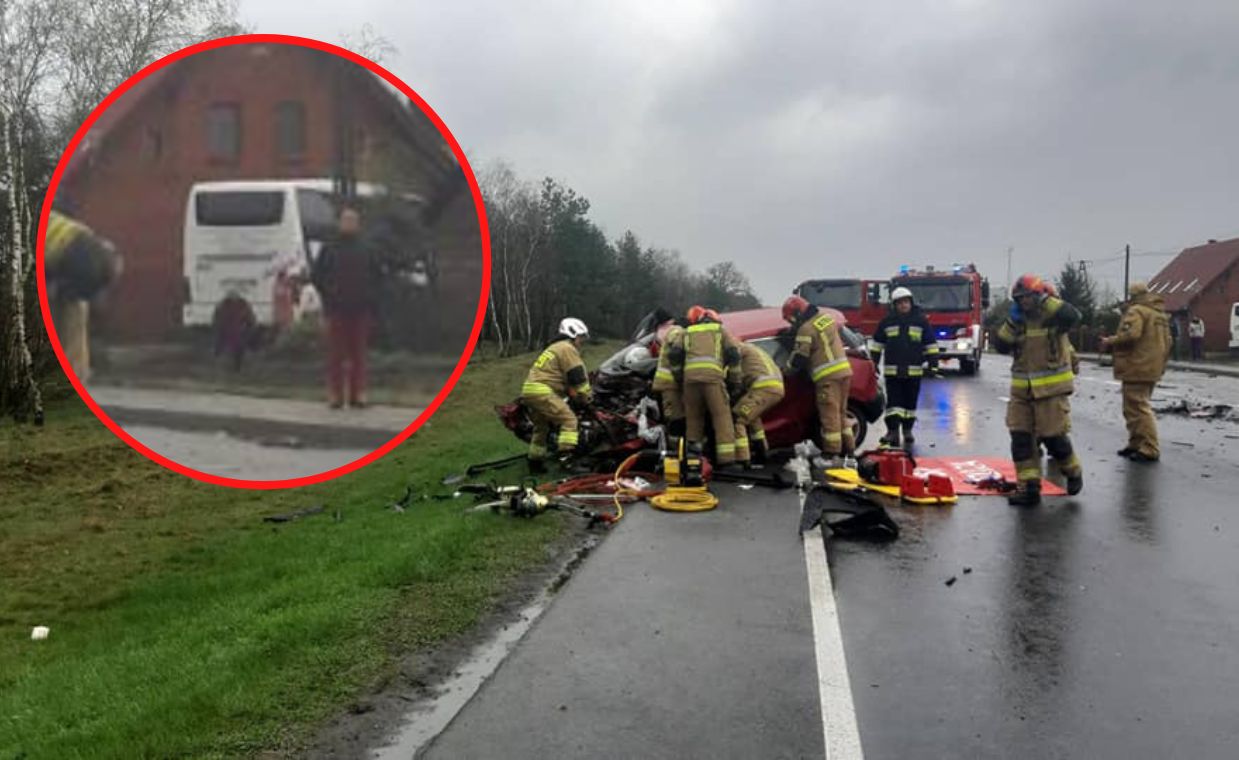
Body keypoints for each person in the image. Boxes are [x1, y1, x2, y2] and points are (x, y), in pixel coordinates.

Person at [992, 274, 1084, 506]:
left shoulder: (1054, 317)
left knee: (1053, 438)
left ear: (1038, 295)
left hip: (1051, 391)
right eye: (1019, 299)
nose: (1024, 302)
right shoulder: (1018, 320)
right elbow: (1001, 345)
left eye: (1028, 297)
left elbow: (1072, 316)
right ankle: (1029, 487)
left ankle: (1072, 471)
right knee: (1021, 438)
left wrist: (1046, 299)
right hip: (1022, 391)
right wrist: (1011, 322)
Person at [310, 206, 381, 408]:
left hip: (361, 309)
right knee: (335, 355)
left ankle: (358, 394)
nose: (349, 224)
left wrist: (370, 298)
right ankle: (335, 395)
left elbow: (378, 277)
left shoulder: (367, 248)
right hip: (336, 309)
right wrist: (329, 294)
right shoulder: (329, 248)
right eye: (346, 220)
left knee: (359, 354)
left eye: (353, 220)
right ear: (339, 223)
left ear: (358, 224)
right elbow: (317, 276)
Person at [43, 209, 123, 383]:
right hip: (83, 249)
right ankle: (76, 372)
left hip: (72, 259)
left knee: (65, 314)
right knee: (74, 316)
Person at [1101, 282, 1171, 463]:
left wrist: (1110, 341)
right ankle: (1136, 443)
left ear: (1132, 295)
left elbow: (1131, 334)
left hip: (1136, 365)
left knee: (1138, 408)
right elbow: (1169, 341)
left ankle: (1149, 447)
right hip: (1153, 366)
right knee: (1133, 407)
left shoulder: (1137, 311)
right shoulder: (1159, 314)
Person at [782, 295, 855, 466]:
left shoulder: (805, 330)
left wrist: (785, 371)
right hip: (844, 372)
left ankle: (830, 454)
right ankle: (849, 450)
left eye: (792, 318)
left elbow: (799, 358)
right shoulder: (826, 319)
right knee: (841, 413)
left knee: (829, 416)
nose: (792, 323)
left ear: (798, 313)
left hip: (827, 378)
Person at [667, 305, 741, 466]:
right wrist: (735, 381)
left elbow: (674, 354)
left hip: (690, 381)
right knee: (722, 417)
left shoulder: (688, 332)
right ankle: (727, 460)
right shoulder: (720, 331)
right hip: (712, 380)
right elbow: (733, 354)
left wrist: (680, 377)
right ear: (716, 320)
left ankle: (693, 459)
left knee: (694, 419)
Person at [869, 286, 939, 450]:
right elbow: (877, 345)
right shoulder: (887, 322)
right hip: (892, 372)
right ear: (894, 305)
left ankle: (907, 430)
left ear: (911, 302)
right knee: (893, 404)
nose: (903, 305)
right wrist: (873, 365)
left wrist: (933, 364)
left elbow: (930, 344)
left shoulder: (921, 321)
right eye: (900, 303)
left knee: (910, 405)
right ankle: (892, 431)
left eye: (906, 302)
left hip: (914, 372)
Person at [520, 318, 593, 472]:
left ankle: (535, 463)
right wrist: (586, 397)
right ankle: (567, 462)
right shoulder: (567, 348)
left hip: (530, 391)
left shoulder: (553, 348)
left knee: (541, 427)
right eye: (580, 338)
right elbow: (577, 376)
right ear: (572, 335)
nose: (581, 342)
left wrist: (570, 392)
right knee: (569, 420)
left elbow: (561, 377)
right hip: (543, 391)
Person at [730, 340, 785, 466]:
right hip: (774, 388)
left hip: (762, 388)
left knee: (737, 418)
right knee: (753, 417)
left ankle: (742, 460)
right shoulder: (755, 349)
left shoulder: (737, 350)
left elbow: (732, 370)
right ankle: (762, 453)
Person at [651, 317, 688, 440]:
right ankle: (673, 452)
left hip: (669, 384)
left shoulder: (674, 331)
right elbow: (675, 350)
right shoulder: (677, 331)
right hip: (669, 384)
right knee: (675, 420)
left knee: (677, 419)